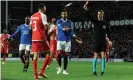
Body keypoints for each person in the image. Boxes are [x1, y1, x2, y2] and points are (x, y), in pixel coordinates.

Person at [83, 1, 112, 75]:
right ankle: (94, 71)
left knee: (103, 56)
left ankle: (102, 71)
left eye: (100, 14)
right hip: (97, 42)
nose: (99, 15)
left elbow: (109, 33)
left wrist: (110, 40)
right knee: (95, 56)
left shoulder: (106, 23)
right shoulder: (95, 22)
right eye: (98, 14)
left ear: (103, 15)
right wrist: (86, 9)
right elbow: (89, 16)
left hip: (103, 42)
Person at [56, 9, 82, 75]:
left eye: (65, 14)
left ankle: (64, 70)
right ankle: (59, 67)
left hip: (67, 40)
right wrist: (64, 29)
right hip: (60, 40)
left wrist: (76, 38)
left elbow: (71, 31)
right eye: (63, 14)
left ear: (67, 14)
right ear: (61, 15)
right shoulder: (59, 21)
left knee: (65, 55)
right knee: (58, 54)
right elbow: (60, 27)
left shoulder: (69, 22)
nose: (64, 15)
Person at [30, 3, 50, 79]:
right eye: (45, 8)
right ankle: (41, 71)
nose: (45, 9)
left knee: (35, 56)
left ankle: (35, 75)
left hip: (34, 38)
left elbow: (31, 27)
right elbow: (45, 28)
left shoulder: (32, 16)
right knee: (49, 53)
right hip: (41, 37)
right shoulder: (43, 15)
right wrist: (48, 24)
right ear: (42, 8)